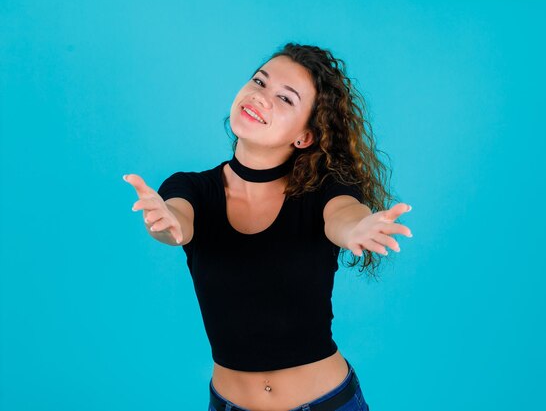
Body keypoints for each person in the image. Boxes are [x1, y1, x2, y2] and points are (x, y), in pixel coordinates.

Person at [124, 43, 412, 411]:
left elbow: (343, 215)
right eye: (260, 81)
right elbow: (176, 222)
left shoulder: (324, 192)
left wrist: (357, 228)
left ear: (305, 136)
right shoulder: (193, 189)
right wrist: (161, 220)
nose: (260, 97)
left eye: (286, 99)